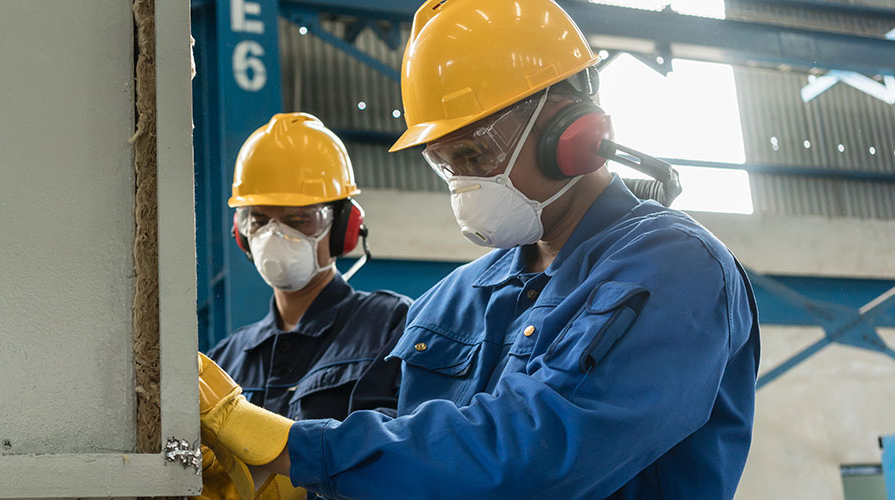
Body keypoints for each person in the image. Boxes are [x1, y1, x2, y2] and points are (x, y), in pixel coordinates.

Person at [196, 0, 761, 499]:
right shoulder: (452, 300)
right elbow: (417, 457)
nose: (463, 185)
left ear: (572, 133)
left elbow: (540, 457)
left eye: (472, 155)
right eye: (443, 164)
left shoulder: (676, 270)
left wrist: (298, 451)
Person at [198, 112, 411, 500]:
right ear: (240, 232)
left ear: (344, 226)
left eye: (300, 219)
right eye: (258, 219)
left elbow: (408, 458)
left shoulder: (393, 328)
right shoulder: (223, 360)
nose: (275, 235)